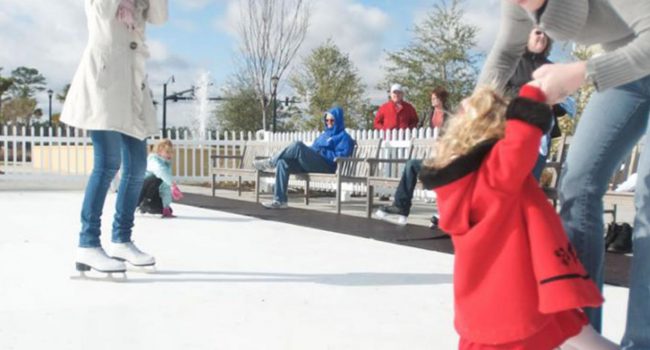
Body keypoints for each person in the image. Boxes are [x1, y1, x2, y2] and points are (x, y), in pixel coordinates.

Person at [479, 1, 650, 347]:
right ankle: (578, 332)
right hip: (624, 64)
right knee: (578, 183)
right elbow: (505, 53)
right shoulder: (516, 6)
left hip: (636, 52)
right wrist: (475, 116)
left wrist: (581, 74)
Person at [418, 84, 617, 350]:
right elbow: (520, 142)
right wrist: (537, 93)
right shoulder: (494, 178)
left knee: (578, 332)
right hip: (517, 301)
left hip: (485, 303)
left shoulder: (457, 185)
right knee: (577, 334)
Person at [60, 0, 168, 274]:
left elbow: (160, 17)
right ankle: (88, 244)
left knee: (137, 167)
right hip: (105, 85)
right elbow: (102, 11)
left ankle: (121, 239)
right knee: (107, 164)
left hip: (132, 86)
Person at [253, 106, 355, 209]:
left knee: (298, 145)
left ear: (338, 120)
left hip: (326, 166)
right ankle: (280, 201)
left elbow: (342, 155)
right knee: (282, 162)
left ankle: (270, 162)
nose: (329, 122)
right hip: (313, 163)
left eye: (332, 120)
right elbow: (314, 148)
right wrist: (311, 152)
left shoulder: (344, 137)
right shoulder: (323, 135)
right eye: (327, 120)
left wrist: (323, 152)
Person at [137, 139, 183, 218]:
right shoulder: (153, 160)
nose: (170, 155)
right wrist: (173, 184)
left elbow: (165, 187)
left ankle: (147, 206)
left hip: (153, 193)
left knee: (163, 209)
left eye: (172, 152)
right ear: (159, 151)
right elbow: (160, 171)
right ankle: (144, 202)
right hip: (141, 192)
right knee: (158, 177)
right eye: (167, 152)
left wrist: (166, 206)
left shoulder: (166, 165)